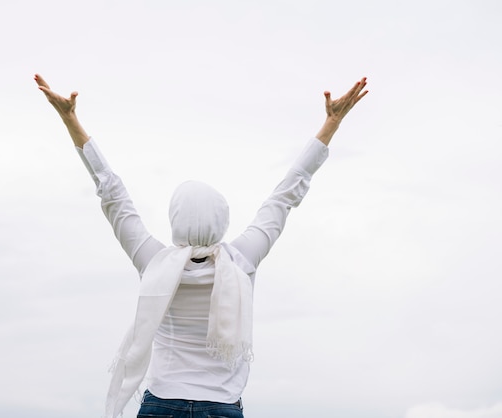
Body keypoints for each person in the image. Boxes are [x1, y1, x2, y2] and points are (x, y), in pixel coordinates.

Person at [35, 73, 368, 418]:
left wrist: (70, 119)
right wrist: (332, 123)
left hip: (160, 406)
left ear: (175, 219)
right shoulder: (242, 259)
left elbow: (112, 195)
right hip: (221, 407)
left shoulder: (153, 261)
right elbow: (286, 194)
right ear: (222, 219)